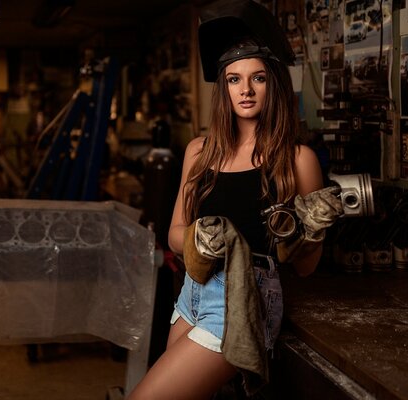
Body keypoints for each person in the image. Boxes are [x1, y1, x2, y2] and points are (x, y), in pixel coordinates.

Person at [127, 1, 342, 399]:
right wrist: (197, 239)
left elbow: (307, 268)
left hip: (245, 300)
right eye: (233, 80)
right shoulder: (199, 151)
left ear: (272, 83)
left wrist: (309, 229)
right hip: (193, 292)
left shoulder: (297, 159)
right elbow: (174, 234)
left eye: (257, 78)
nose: (245, 90)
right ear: (223, 88)